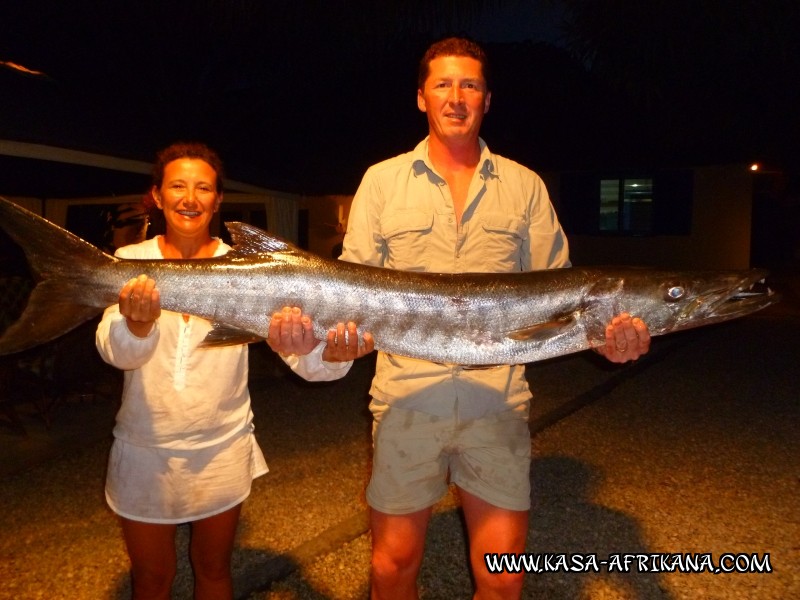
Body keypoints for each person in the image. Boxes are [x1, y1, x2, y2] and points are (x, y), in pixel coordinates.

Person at [273, 37, 650, 600]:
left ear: (488, 100)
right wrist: (333, 343)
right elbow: (350, 290)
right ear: (421, 98)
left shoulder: (525, 187)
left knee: (502, 578)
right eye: (443, 85)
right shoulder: (381, 181)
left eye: (469, 85)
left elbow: (565, 298)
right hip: (405, 401)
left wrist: (610, 340)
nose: (456, 98)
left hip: (495, 404)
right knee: (391, 568)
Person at [94, 142, 357, 600]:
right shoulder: (129, 261)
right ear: (157, 195)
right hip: (144, 450)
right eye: (177, 185)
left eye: (203, 188)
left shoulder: (254, 270)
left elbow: (307, 362)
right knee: (151, 576)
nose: (189, 198)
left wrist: (332, 355)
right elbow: (114, 350)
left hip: (221, 449)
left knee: (213, 569)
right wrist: (135, 325)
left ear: (217, 201)